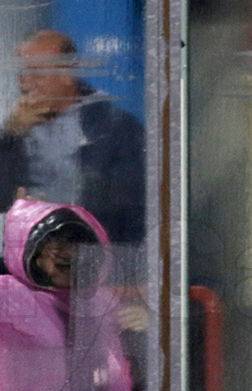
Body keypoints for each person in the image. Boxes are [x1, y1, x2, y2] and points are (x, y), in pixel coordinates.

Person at [0, 199, 144, 391]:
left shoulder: (99, 304)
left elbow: (124, 389)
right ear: (30, 249)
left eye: (78, 242)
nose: (68, 252)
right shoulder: (8, 296)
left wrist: (149, 329)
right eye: (54, 241)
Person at [0, 30, 145, 245]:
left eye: (36, 73)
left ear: (67, 75)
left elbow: (132, 211)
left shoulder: (115, 127)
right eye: (21, 74)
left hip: (89, 249)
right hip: (25, 250)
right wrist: (9, 137)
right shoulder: (14, 127)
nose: (25, 84)